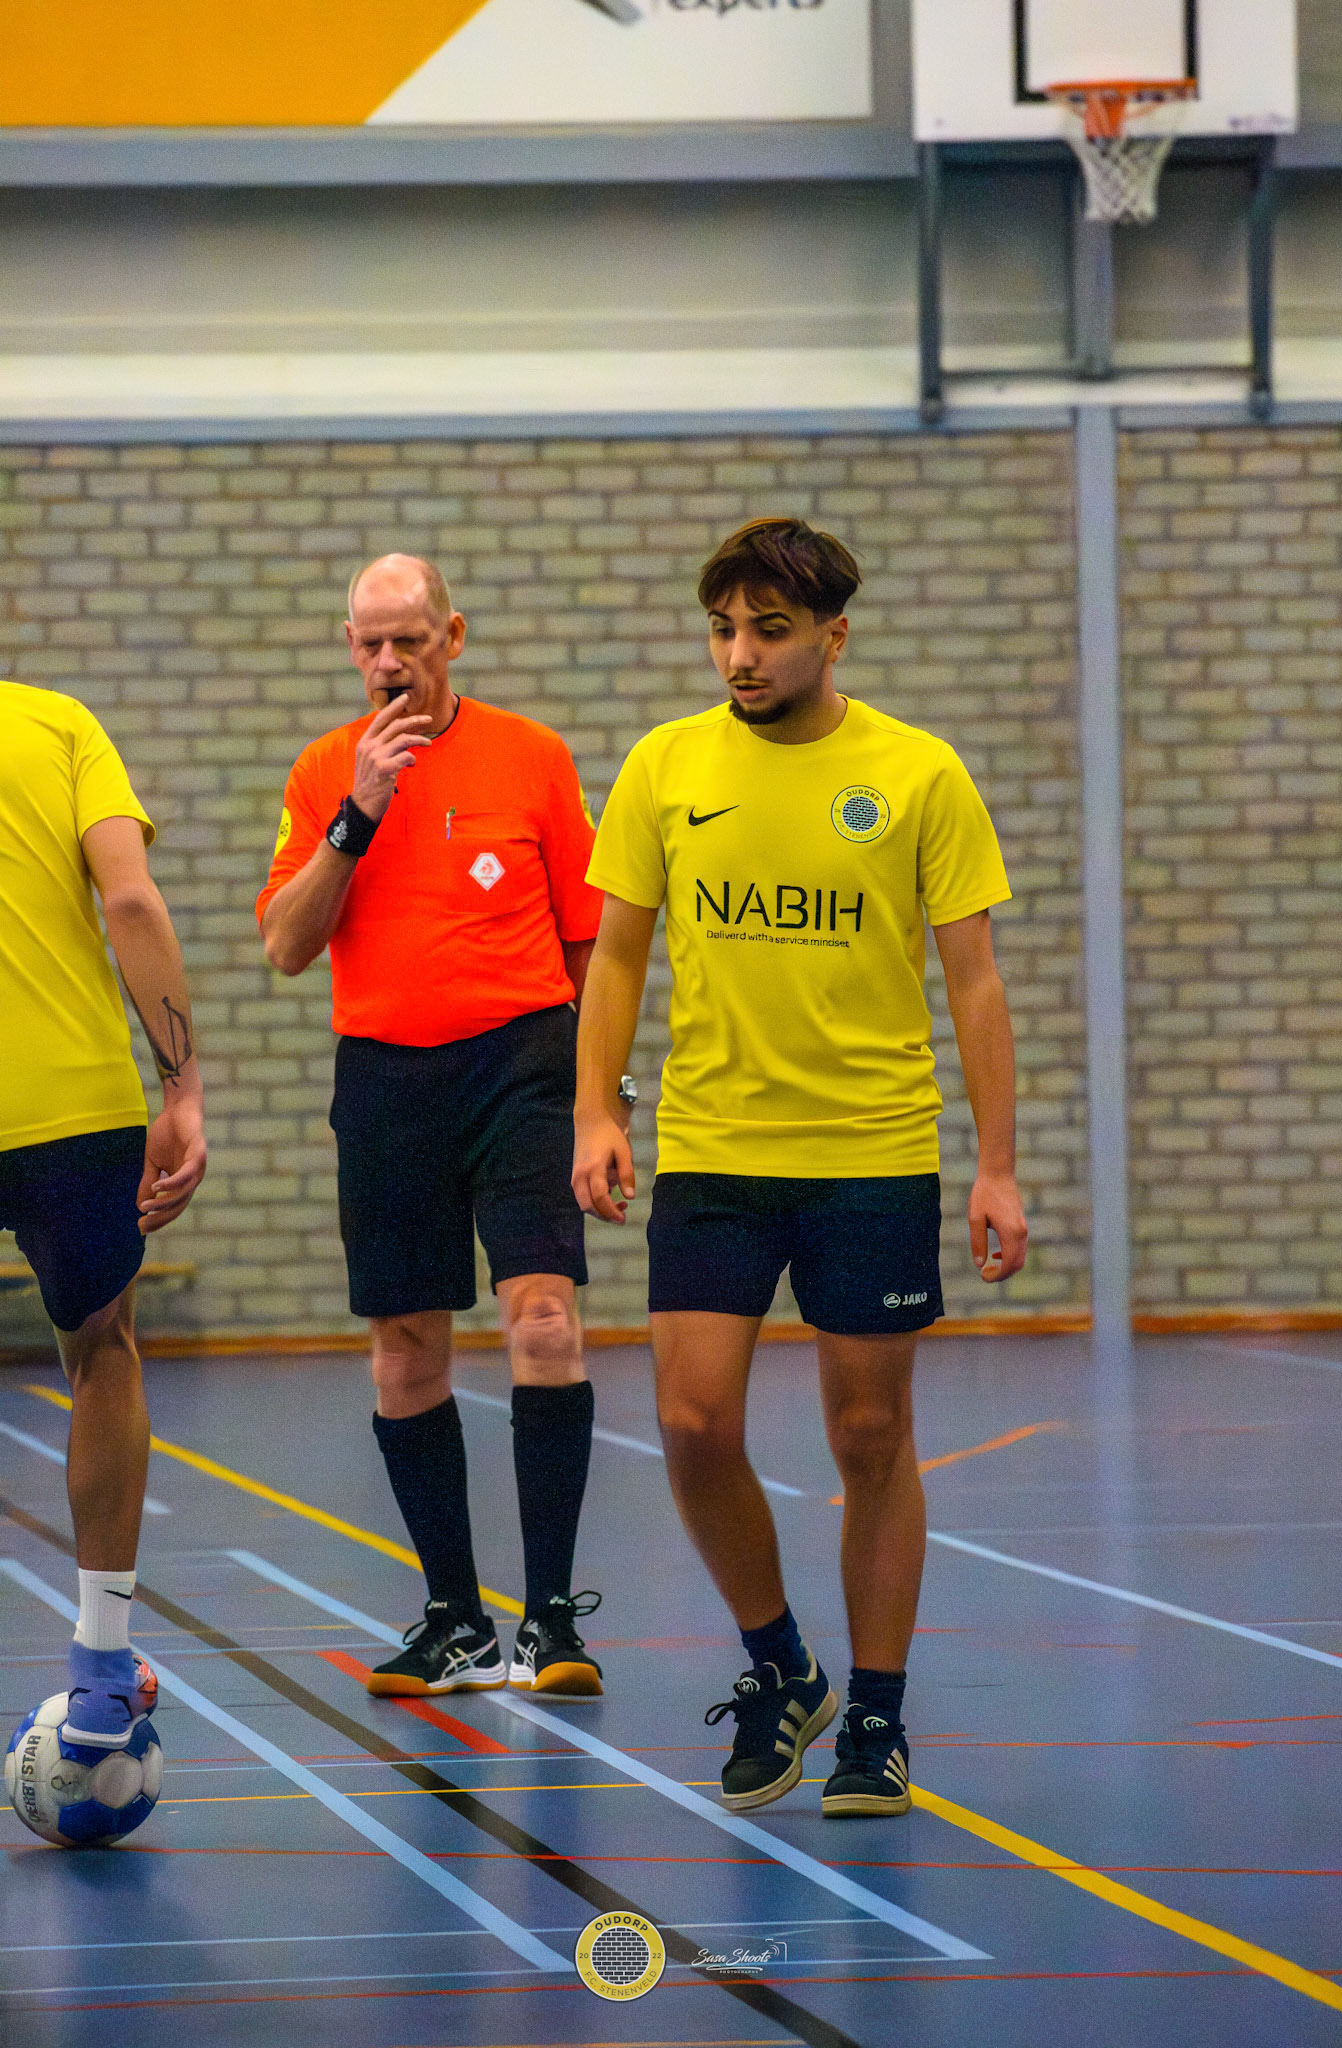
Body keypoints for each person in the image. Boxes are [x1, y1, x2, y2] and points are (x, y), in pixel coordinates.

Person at [573, 517, 1028, 1816]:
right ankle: (782, 1663)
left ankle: (875, 1715)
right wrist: (597, 1112)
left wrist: (995, 1166)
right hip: (714, 1150)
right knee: (691, 1420)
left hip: (870, 1154)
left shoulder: (919, 773)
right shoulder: (665, 766)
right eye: (724, 629)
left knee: (869, 1434)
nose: (741, 654)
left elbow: (975, 982)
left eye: (769, 630)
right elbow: (616, 955)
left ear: (834, 634)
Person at [257, 554, 606, 1698]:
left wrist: (590, 1086)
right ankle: (455, 1615)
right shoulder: (325, 771)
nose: (389, 662)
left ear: (451, 636)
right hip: (385, 1076)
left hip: (521, 1062)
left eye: (409, 639)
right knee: (405, 1345)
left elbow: (588, 935)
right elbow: (287, 943)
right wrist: (356, 813)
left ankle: (550, 1617)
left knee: (543, 1320)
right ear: (348, 647)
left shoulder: (532, 755)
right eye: (370, 643)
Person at [0, 679, 207, 1750]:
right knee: (99, 1352)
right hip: (69, 1107)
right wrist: (183, 1087)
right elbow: (130, 903)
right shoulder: (58, 723)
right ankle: (101, 1668)